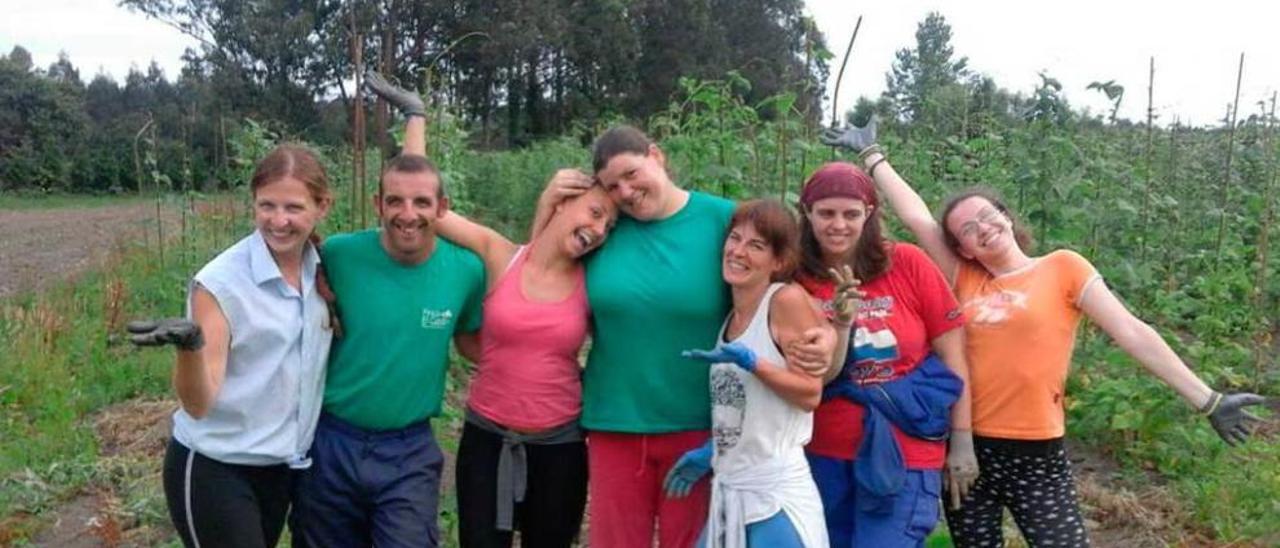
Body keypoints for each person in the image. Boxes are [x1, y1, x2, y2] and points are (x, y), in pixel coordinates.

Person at [822, 119, 1268, 547]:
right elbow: (918, 217)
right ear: (961, 247)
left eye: (987, 215)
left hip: (1036, 448)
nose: (983, 229)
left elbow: (1131, 331)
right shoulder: (963, 277)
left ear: (1007, 216)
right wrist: (872, 154)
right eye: (967, 230)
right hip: (966, 448)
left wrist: (1207, 399)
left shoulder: (1062, 268)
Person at [365, 71, 619, 547]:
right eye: (594, 212)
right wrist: (415, 116)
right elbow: (428, 206)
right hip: (487, 439)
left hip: (559, 445)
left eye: (610, 223)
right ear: (563, 201)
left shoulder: (596, 281)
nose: (601, 228)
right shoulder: (501, 255)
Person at [550, 125, 834, 548]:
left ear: (656, 156)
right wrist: (548, 204)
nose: (625, 192)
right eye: (612, 186)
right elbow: (540, 270)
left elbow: (784, 273)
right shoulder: (604, 228)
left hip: (699, 428)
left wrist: (828, 331)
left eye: (631, 174)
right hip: (615, 421)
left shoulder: (723, 220)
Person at [289, 77, 486, 547]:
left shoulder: (467, 272)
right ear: (378, 205)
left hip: (408, 450)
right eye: (394, 201)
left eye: (422, 202)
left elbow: (474, 343)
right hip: (332, 439)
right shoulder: (338, 255)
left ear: (443, 208)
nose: (407, 213)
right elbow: (278, 240)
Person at [127, 144, 334, 548]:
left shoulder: (323, 269)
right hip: (215, 469)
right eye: (266, 206)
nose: (278, 221)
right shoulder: (223, 283)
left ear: (322, 206)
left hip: (281, 469)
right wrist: (191, 346)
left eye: (293, 207)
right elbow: (199, 403)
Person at [794, 161, 976, 548]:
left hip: (905, 445)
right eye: (826, 213)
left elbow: (954, 355)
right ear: (806, 213)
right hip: (822, 450)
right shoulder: (796, 277)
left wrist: (962, 442)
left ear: (870, 214)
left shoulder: (907, 264)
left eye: (851, 214)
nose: (837, 224)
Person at [665, 199, 830, 547]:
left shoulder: (784, 301)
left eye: (756, 245)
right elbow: (752, 410)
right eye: (735, 238)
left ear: (780, 261)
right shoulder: (730, 317)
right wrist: (714, 451)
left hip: (775, 495)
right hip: (731, 488)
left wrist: (754, 364)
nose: (738, 251)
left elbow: (809, 394)